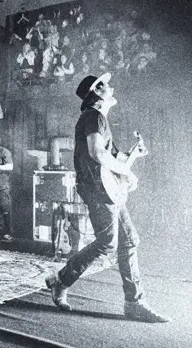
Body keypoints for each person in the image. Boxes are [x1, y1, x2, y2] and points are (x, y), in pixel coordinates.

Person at [45, 73, 169, 323]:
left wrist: (132, 158)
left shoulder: (98, 119)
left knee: (129, 240)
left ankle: (134, 302)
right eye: (106, 86)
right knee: (108, 243)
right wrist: (126, 171)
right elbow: (97, 154)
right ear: (97, 93)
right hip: (98, 189)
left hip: (105, 188)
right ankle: (61, 280)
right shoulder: (94, 116)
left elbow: (111, 158)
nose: (111, 87)